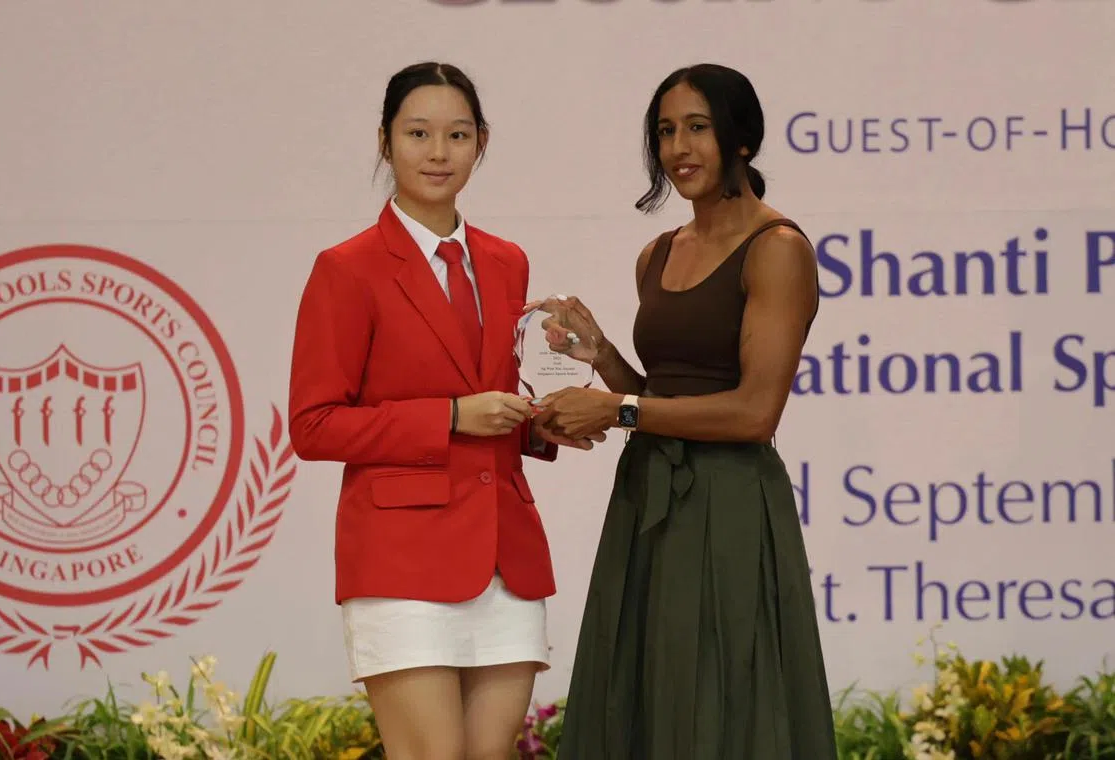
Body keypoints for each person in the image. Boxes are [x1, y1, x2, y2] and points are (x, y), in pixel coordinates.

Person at [287, 61, 604, 760]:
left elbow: (496, 394)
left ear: (481, 143)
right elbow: (313, 426)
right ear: (384, 141)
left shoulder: (505, 261)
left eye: (457, 135)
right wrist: (450, 417)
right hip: (401, 556)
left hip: (504, 552)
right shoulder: (347, 268)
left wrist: (541, 424)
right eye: (418, 133)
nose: (438, 153)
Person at [534, 63, 838, 758]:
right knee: (645, 697)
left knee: (722, 700)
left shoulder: (779, 249)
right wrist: (604, 357)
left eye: (697, 127)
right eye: (666, 131)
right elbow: (660, 392)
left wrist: (617, 409)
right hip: (648, 499)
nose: (678, 148)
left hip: (728, 506)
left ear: (743, 139)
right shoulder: (658, 253)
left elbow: (754, 414)